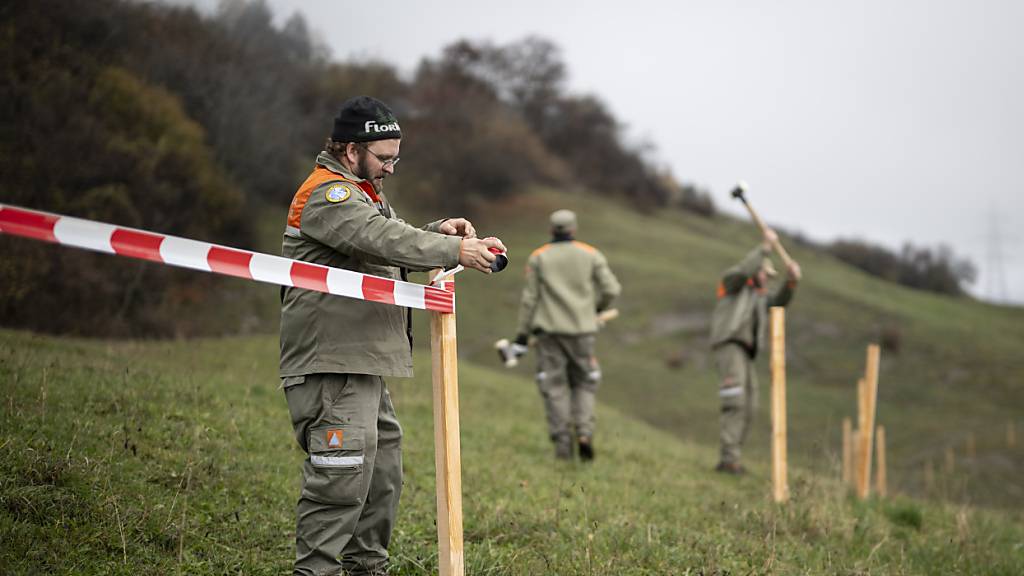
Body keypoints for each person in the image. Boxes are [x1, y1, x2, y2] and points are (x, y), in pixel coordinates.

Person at [279, 96, 504, 576]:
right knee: (340, 477)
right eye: (384, 158)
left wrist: (439, 233)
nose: (390, 169)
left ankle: (368, 568)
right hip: (331, 363)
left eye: (395, 158)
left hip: (362, 364)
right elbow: (379, 239)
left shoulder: (362, 191)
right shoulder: (328, 195)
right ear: (349, 149)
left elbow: (387, 238)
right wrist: (454, 248)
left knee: (381, 476)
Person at [514, 209, 621, 461]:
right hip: (583, 331)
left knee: (554, 386)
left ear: (552, 230)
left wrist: (521, 334)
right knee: (584, 382)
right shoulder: (591, 254)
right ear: (573, 229)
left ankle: (563, 445)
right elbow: (611, 289)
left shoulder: (538, 257)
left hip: (549, 334)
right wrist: (595, 310)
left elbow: (530, 299)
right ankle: (584, 432)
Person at [709, 229, 801, 474]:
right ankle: (728, 459)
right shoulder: (733, 285)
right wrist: (764, 248)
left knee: (750, 404)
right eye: (765, 273)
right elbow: (743, 271)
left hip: (746, 354)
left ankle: (733, 457)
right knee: (735, 400)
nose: (767, 279)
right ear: (757, 270)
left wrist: (791, 282)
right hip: (729, 346)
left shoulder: (760, 298)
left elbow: (779, 301)